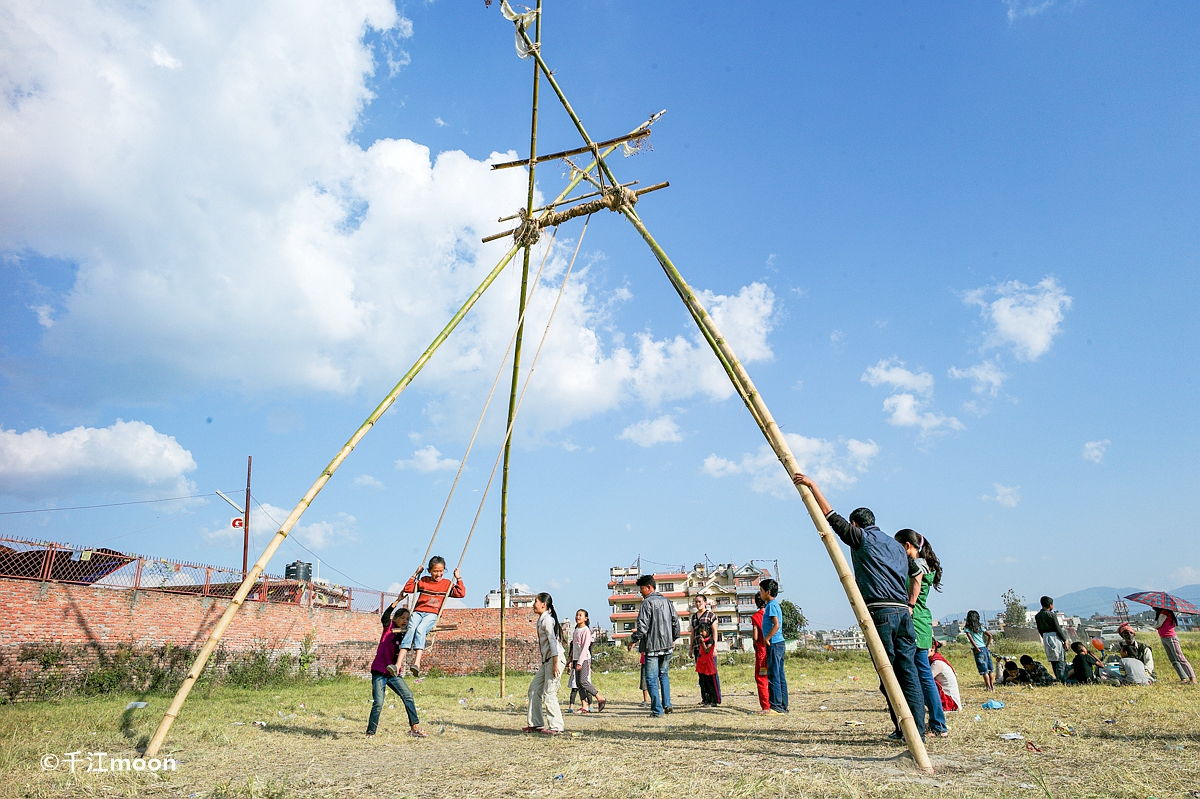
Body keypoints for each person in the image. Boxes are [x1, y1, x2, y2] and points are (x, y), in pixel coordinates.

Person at [794, 472, 924, 742]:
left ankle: (903, 729)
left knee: (887, 673)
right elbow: (917, 573)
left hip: (881, 613)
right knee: (908, 670)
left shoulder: (862, 538)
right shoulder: (898, 547)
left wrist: (812, 485)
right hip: (902, 612)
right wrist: (911, 603)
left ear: (857, 524)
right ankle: (918, 731)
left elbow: (831, 517)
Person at [895, 529, 949, 738]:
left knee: (923, 676)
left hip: (915, 621)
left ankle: (937, 724)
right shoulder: (927, 564)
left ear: (908, 545)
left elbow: (915, 583)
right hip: (922, 622)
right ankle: (936, 722)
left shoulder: (917, 566)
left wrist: (909, 605)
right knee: (922, 674)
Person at [390, 556, 465, 678]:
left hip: (432, 614)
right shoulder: (424, 580)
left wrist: (458, 578)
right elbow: (408, 588)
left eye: (441, 571)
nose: (438, 574)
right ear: (429, 570)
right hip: (418, 612)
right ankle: (397, 665)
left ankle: (417, 663)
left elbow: (461, 593)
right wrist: (416, 574)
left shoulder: (446, 584)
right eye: (435, 571)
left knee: (420, 630)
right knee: (411, 629)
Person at [366, 600, 426, 738]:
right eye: (402, 618)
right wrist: (396, 602)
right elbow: (385, 616)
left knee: (408, 696)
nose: (405, 621)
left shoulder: (405, 635)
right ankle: (371, 732)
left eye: (407, 619)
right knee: (378, 703)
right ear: (396, 618)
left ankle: (414, 728)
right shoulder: (389, 627)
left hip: (393, 674)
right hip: (380, 671)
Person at [627, 574, 680, 717]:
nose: (641, 592)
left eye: (642, 589)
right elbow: (676, 622)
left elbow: (642, 627)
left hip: (652, 647)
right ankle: (667, 704)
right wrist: (673, 638)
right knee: (664, 675)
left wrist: (632, 640)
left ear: (649, 587)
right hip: (667, 645)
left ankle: (657, 710)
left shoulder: (647, 603)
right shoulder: (668, 602)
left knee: (651, 678)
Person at [524, 592, 567, 734]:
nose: (533, 604)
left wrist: (555, 664)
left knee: (549, 693)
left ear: (544, 604)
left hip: (555, 660)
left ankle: (556, 727)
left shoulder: (547, 620)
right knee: (534, 689)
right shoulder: (541, 619)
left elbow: (553, 643)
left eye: (536, 601)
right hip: (547, 661)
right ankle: (535, 723)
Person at [759, 578, 789, 714]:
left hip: (775, 643)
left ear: (768, 592)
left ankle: (776, 705)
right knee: (780, 674)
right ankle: (783, 705)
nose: (760, 593)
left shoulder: (771, 605)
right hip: (779, 643)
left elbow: (776, 624)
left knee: (774, 674)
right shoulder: (774, 605)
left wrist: (767, 638)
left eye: (761, 590)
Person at [569, 609, 605, 713]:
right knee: (578, 683)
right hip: (576, 659)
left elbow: (585, 648)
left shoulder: (586, 630)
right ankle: (584, 706)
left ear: (586, 618)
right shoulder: (576, 630)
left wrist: (580, 662)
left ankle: (600, 698)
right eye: (577, 615)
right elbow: (574, 647)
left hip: (584, 659)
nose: (578, 617)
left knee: (583, 681)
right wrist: (570, 660)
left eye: (580, 615)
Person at [1154, 606, 1196, 683]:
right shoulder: (1162, 612)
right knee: (1173, 659)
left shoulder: (1164, 612)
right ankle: (1183, 678)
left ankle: (1192, 678)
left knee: (1180, 658)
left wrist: (1155, 625)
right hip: (1164, 637)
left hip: (1170, 638)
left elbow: (1158, 624)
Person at [1035, 596, 1070, 683]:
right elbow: (1058, 629)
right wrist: (1065, 640)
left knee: (1053, 660)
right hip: (1055, 637)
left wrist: (1044, 638)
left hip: (1046, 637)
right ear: (1050, 605)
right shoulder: (1051, 615)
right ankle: (1062, 679)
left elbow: (1039, 629)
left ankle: (1058, 678)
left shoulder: (1038, 616)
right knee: (1060, 659)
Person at [963, 611, 995, 691]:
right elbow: (990, 636)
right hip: (984, 648)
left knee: (984, 671)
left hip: (978, 649)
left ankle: (988, 687)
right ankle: (992, 687)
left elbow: (971, 639)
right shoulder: (980, 626)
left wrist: (976, 648)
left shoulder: (968, 628)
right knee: (990, 669)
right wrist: (987, 645)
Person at [928, 639, 961, 712]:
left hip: (950, 702)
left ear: (932, 648)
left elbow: (926, 679)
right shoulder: (936, 660)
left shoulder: (936, 663)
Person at [751, 593, 770, 713]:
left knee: (761, 678)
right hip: (771, 648)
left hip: (761, 650)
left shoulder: (756, 617)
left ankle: (765, 706)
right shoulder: (770, 615)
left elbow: (755, 636)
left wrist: (755, 645)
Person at [695, 622, 722, 706]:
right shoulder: (702, 640)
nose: (701, 633)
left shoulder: (710, 640)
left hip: (709, 666)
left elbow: (707, 650)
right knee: (705, 683)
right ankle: (707, 699)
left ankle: (715, 700)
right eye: (699, 631)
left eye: (702, 631)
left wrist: (702, 642)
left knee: (712, 684)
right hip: (703, 665)